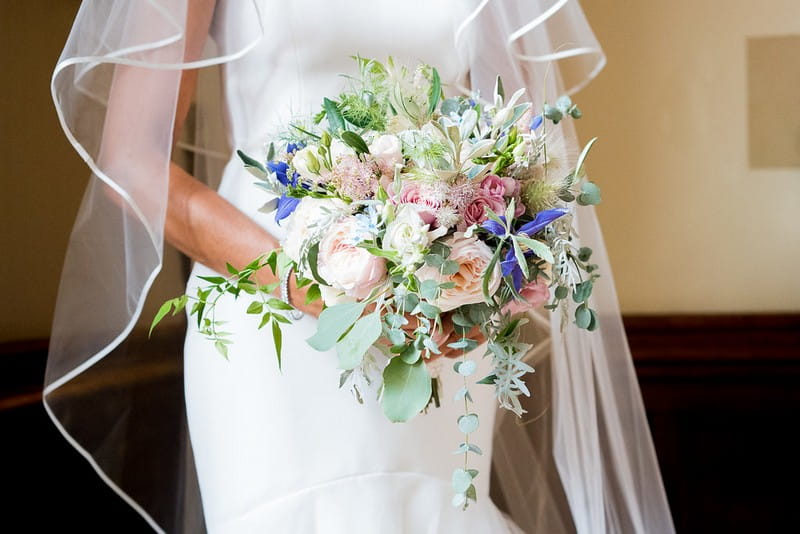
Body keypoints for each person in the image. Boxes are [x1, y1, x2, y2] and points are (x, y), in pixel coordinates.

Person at [46, 1, 675, 532]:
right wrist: (320, 289)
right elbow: (129, 163)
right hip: (274, 324)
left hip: (434, 313)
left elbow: (523, 147)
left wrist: (483, 271)